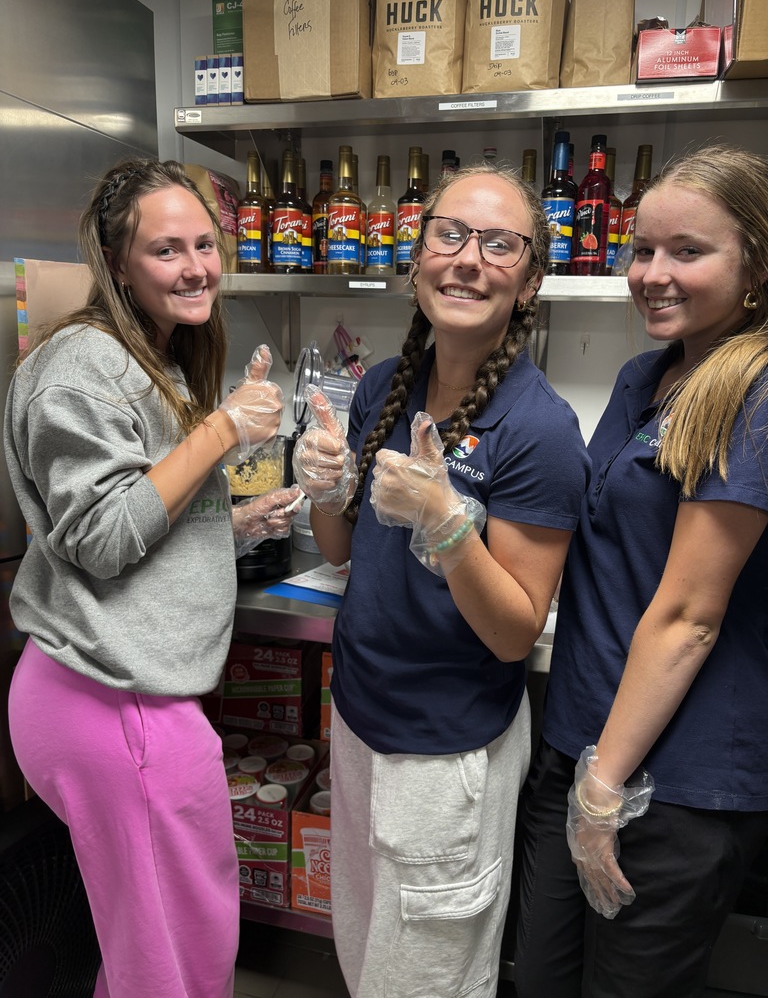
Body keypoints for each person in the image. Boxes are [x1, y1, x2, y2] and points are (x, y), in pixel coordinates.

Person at [4, 157, 301, 998]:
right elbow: (101, 537)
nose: (196, 266)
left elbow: (139, 517)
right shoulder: (81, 368)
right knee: (173, 957)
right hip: (109, 698)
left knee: (161, 935)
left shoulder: (152, 358)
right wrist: (221, 431)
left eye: (206, 244)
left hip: (125, 690)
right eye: (167, 249)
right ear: (118, 261)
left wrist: (234, 525)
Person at [292, 163, 590, 998]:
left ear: (529, 282)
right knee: (365, 958)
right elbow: (339, 546)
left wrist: (449, 522)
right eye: (449, 234)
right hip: (360, 723)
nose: (467, 259)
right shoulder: (386, 385)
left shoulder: (539, 430)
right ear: (416, 255)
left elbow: (514, 631)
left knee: (425, 981)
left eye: (500, 245)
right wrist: (321, 484)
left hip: (447, 752)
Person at [513, 143, 768, 998]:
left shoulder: (755, 398)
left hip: (668, 781)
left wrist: (604, 791)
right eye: (642, 250)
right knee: (541, 980)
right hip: (577, 747)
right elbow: (599, 530)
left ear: (756, 264)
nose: (653, 274)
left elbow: (691, 614)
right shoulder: (648, 376)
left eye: (688, 252)